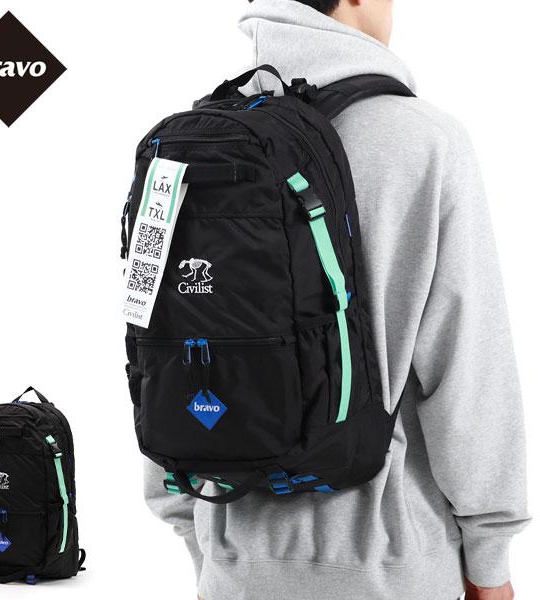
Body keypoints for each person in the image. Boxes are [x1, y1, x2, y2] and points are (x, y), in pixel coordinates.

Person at [144, 1, 530, 598]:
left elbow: (158, 344)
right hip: (392, 566)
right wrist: (490, 556)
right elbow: (468, 368)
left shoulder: (186, 146)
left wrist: (202, 541)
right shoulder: (425, 140)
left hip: (233, 562)